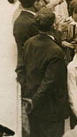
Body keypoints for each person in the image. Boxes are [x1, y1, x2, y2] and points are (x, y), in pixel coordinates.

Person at [20, 8, 69, 137]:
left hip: (33, 106)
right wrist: (35, 100)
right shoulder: (56, 51)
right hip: (51, 109)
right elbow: (50, 82)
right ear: (53, 25)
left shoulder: (29, 43)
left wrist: (29, 96)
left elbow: (21, 70)